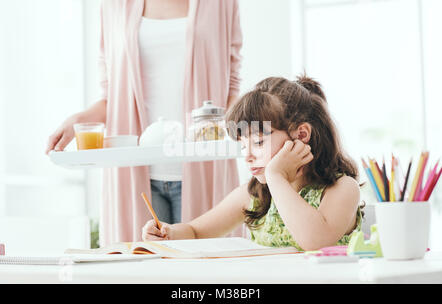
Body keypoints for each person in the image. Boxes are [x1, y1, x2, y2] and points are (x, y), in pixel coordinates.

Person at [46, 0, 243, 246]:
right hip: (134, 170)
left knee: (203, 271)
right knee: (142, 269)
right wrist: (77, 120)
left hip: (203, 166)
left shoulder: (221, 4)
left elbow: (232, 88)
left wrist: (249, 132)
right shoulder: (113, 6)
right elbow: (111, 97)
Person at [142, 75, 364, 251]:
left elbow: (314, 242)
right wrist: (169, 233)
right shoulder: (255, 194)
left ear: (302, 134)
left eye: (258, 142)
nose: (247, 156)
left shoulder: (342, 188)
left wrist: (277, 176)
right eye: (242, 145)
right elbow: (196, 231)